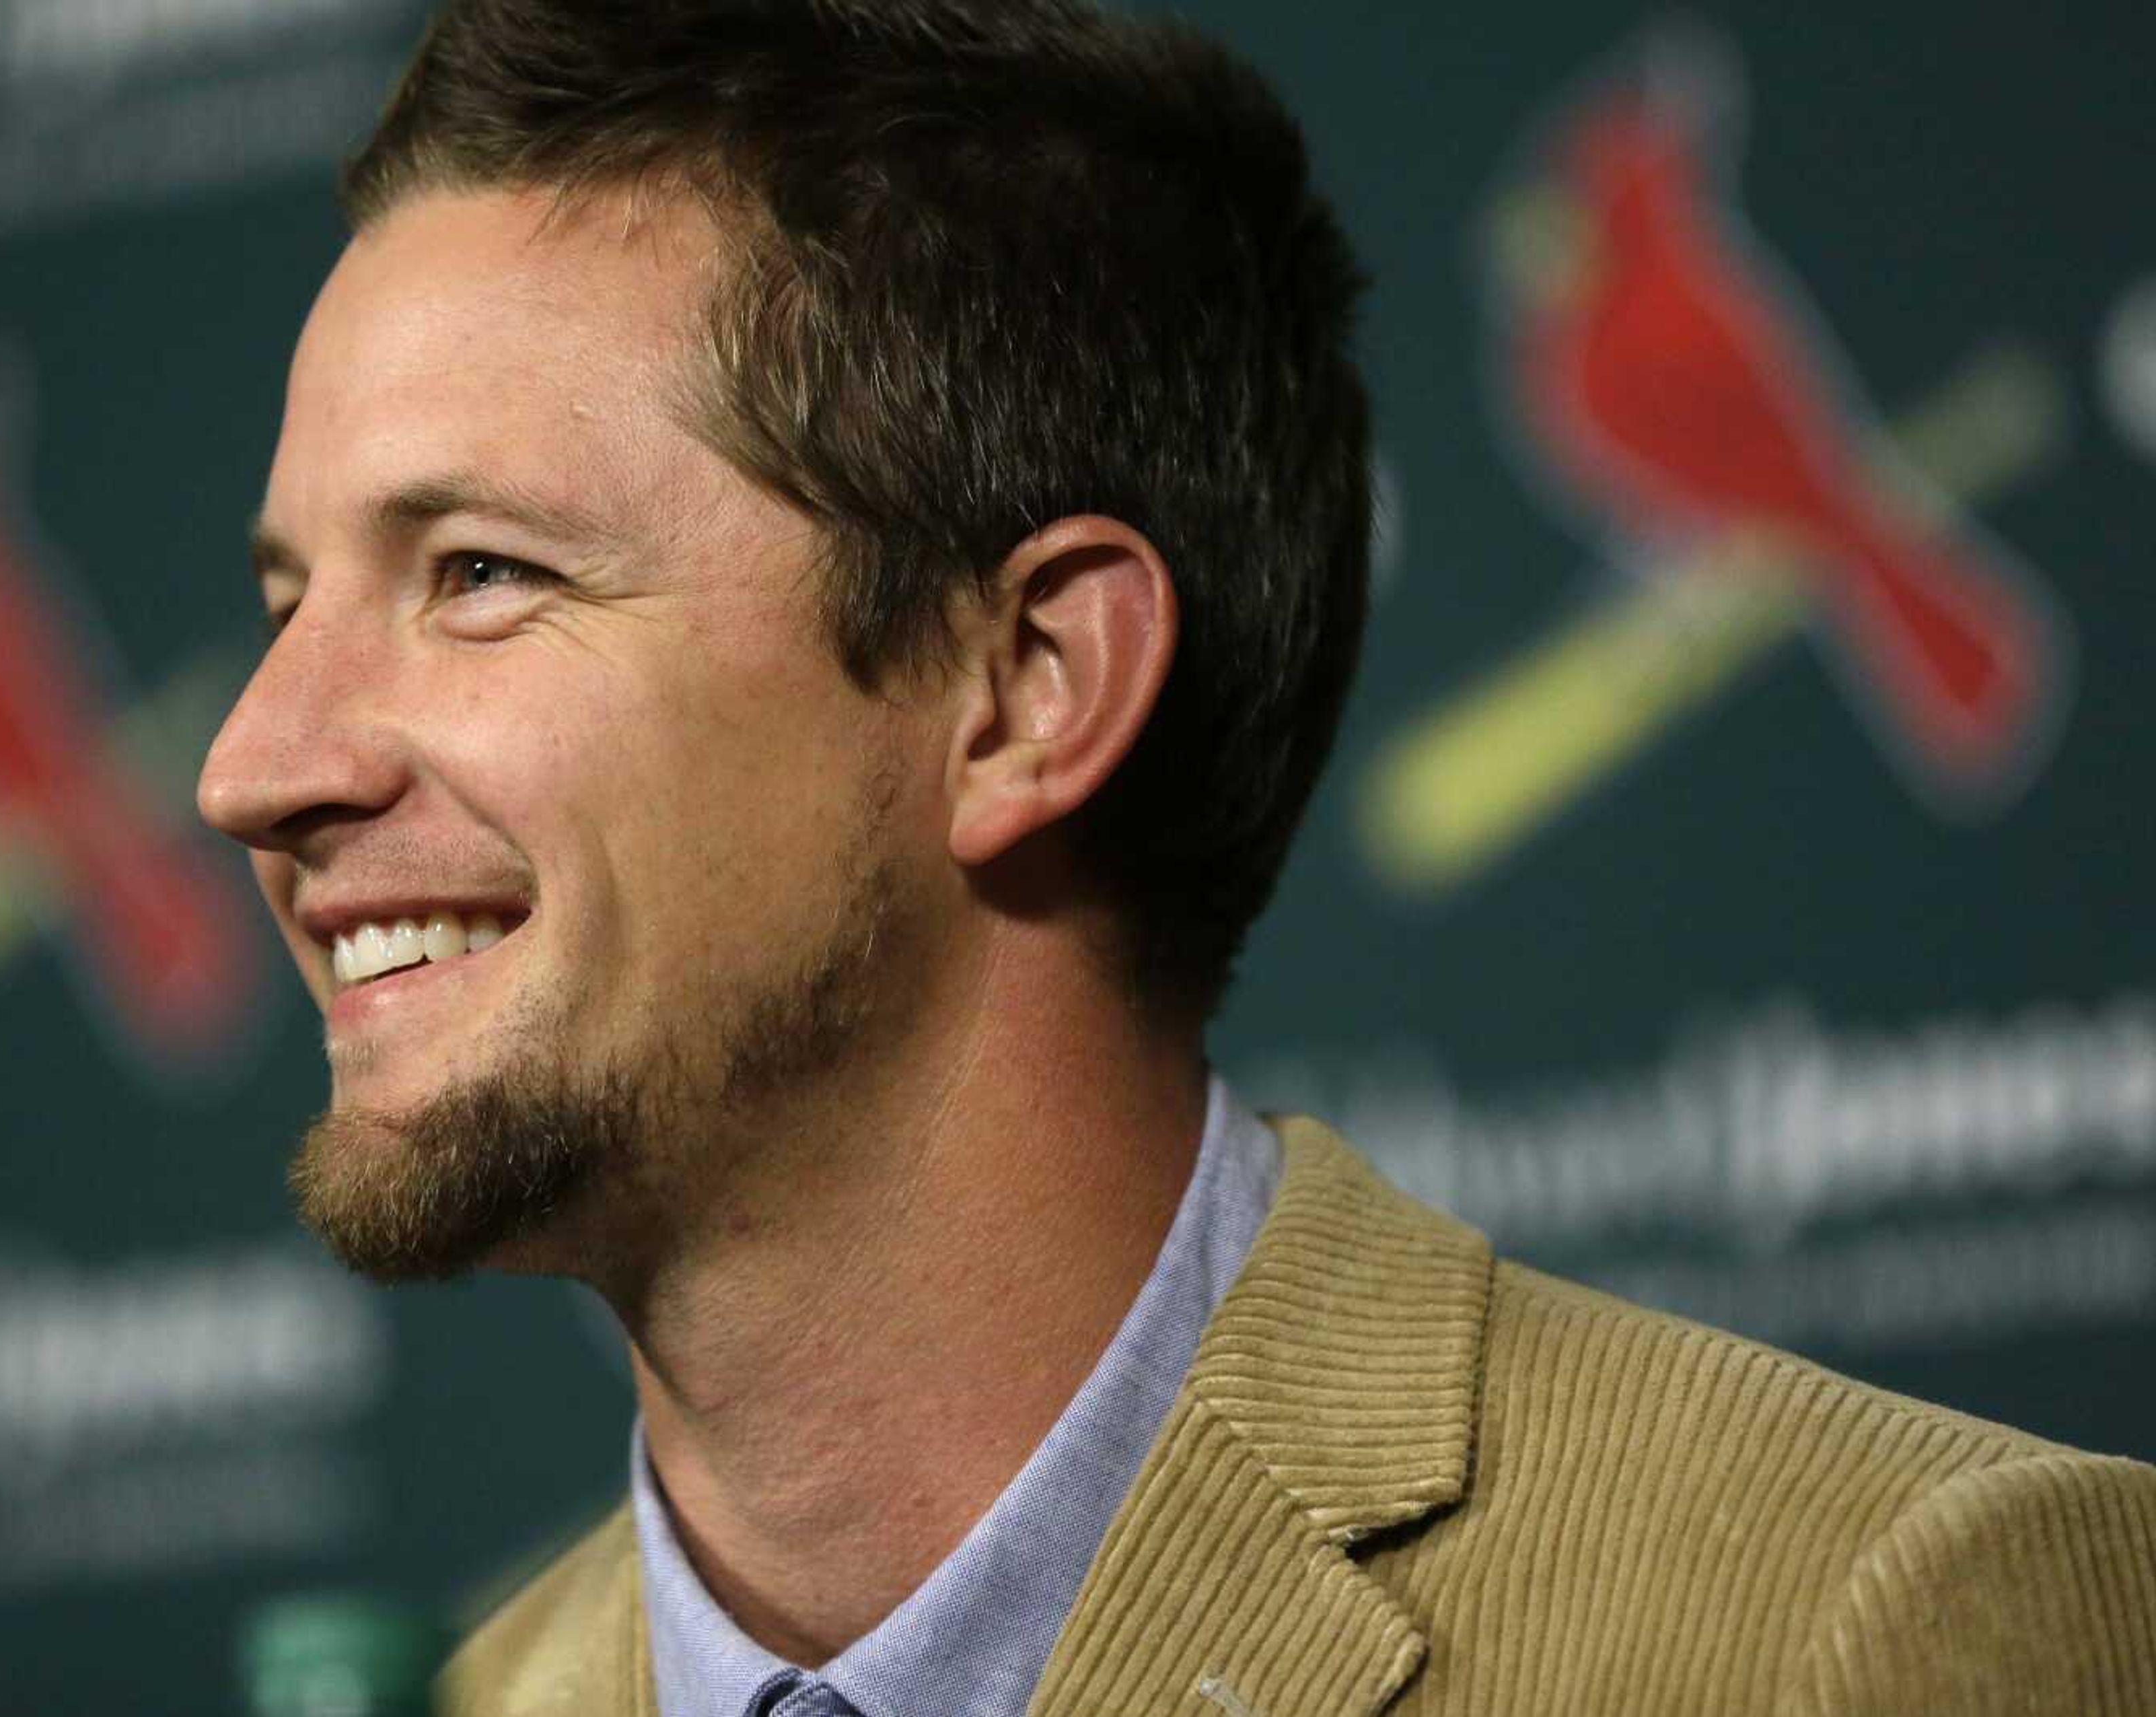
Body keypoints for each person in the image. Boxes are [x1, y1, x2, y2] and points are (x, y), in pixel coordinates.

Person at [194, 2, 2156, 1712]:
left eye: (477, 575)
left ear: (1031, 687)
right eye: (286, 601)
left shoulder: (1868, 1634)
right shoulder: (460, 1703)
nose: (251, 768)